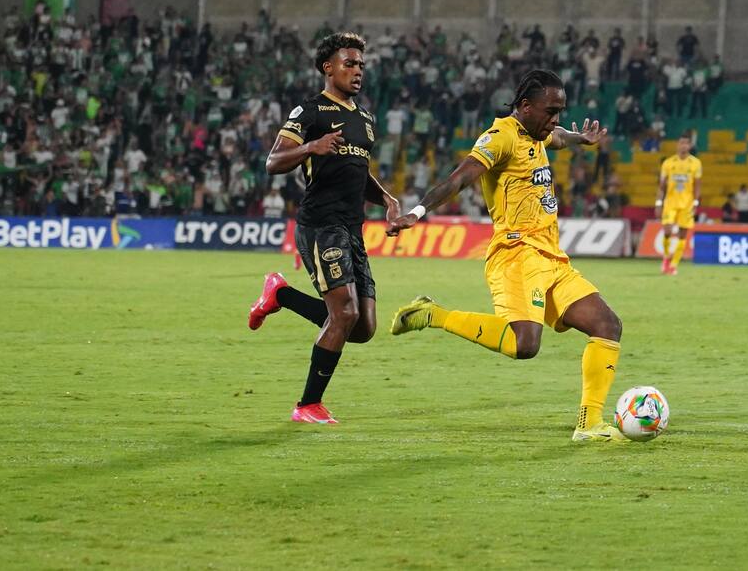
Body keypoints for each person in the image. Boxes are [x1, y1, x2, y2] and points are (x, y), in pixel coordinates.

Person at [387, 70, 628, 442]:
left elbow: (558, 138)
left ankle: (589, 423)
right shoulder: (500, 137)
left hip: (551, 256)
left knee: (607, 325)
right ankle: (433, 314)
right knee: (524, 345)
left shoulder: (540, 132)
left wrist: (580, 138)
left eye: (560, 111)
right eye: (551, 111)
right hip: (516, 255)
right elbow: (460, 177)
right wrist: (417, 213)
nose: (556, 119)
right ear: (525, 106)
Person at [247, 32, 400, 425]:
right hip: (320, 225)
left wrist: (387, 199)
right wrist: (309, 148)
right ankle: (307, 405)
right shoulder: (310, 112)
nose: (358, 70)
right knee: (344, 313)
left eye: (361, 64)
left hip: (352, 229)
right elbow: (273, 161)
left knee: (362, 327)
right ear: (328, 68)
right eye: (349, 63)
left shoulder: (365, 119)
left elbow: (358, 170)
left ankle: (280, 293)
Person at [656, 134, 703, 276]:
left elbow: (697, 185)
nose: (683, 146)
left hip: (687, 204)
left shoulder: (695, 163)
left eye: (686, 143)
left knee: (683, 235)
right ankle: (666, 257)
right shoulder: (668, 163)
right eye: (681, 143)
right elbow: (661, 186)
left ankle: (674, 264)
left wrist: (696, 202)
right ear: (677, 144)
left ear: (690, 146)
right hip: (670, 202)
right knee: (667, 230)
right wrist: (658, 202)